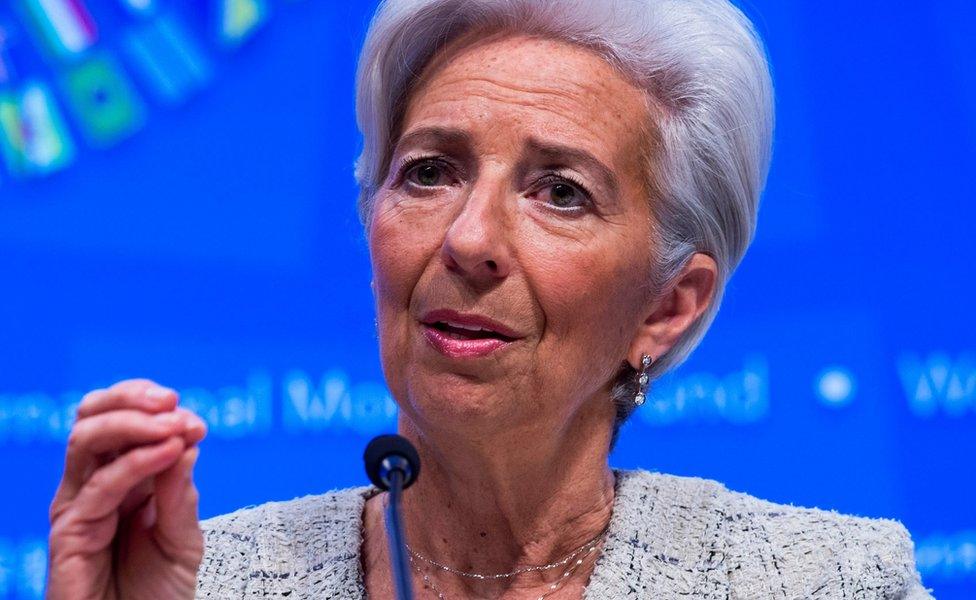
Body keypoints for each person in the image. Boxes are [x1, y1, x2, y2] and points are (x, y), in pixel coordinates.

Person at [46, 0, 933, 598]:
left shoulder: (822, 579)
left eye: (561, 192)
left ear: (669, 306)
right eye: (429, 173)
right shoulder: (206, 581)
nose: (468, 239)